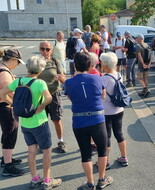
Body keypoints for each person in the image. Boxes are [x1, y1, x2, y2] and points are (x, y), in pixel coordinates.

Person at [0, 55, 62, 189]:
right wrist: (41, 107)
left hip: (26, 122)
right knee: (46, 150)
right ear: (41, 69)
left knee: (31, 150)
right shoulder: (40, 83)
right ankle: (47, 180)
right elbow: (49, 98)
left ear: (27, 67)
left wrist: (13, 105)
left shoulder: (19, 81)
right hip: (39, 122)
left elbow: (2, 94)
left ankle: (34, 178)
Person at [64, 52, 113, 190]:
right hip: (97, 119)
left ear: (75, 66)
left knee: (85, 153)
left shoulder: (69, 82)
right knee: (102, 151)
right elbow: (103, 96)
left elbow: (70, 98)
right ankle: (102, 179)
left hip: (79, 121)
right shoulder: (98, 79)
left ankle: (90, 183)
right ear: (89, 65)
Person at [100, 52, 128, 170]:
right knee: (119, 133)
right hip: (119, 109)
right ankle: (124, 157)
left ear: (105, 65)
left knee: (107, 137)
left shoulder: (104, 79)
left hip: (107, 112)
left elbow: (102, 96)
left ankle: (105, 162)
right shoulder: (118, 74)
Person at [38, 41, 67, 153]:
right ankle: (43, 142)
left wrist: (60, 77)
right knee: (41, 121)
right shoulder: (36, 62)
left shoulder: (55, 62)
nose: (45, 51)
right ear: (39, 49)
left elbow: (63, 76)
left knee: (56, 119)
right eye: (42, 49)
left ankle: (60, 141)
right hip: (40, 96)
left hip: (54, 94)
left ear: (51, 50)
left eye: (47, 49)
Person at [0, 49, 24, 177]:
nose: (18, 65)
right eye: (18, 62)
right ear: (13, 60)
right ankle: (7, 165)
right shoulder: (4, 73)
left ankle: (6, 159)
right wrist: (13, 105)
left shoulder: (2, 68)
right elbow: (4, 92)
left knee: (7, 133)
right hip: (5, 106)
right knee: (10, 133)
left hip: (2, 106)